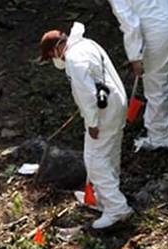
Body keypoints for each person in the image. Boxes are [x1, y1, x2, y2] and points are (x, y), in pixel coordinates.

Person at [40, 23, 132, 230]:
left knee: (94, 160)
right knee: (109, 153)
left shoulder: (73, 59)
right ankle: (104, 197)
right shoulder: (87, 44)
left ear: (56, 49)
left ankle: (117, 208)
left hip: (103, 112)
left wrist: (92, 123)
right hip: (117, 102)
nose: (55, 61)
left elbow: (88, 95)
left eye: (51, 56)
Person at [88, 0, 168, 152]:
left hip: (161, 35)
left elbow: (131, 27)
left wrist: (135, 58)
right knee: (166, 75)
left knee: (155, 85)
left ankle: (159, 138)